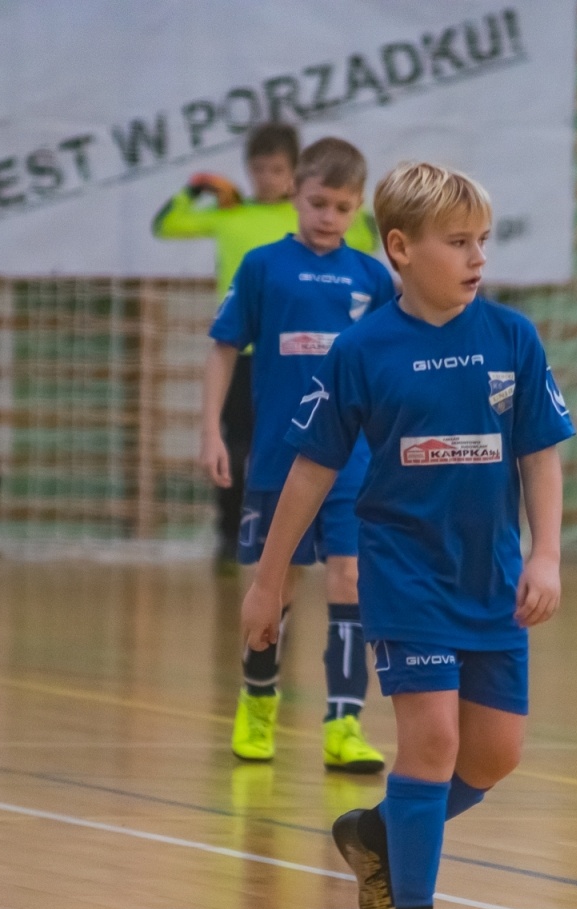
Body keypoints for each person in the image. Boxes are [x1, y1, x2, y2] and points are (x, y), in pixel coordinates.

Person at [240, 162, 574, 909]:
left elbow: (540, 455)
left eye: (482, 242)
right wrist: (268, 579)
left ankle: (378, 834)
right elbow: (311, 471)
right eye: (457, 242)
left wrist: (546, 554)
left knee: (494, 755)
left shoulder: (511, 338)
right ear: (400, 248)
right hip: (404, 576)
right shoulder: (362, 351)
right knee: (432, 742)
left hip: (490, 578)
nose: (477, 258)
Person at [204, 138, 396, 774]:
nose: (328, 218)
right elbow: (224, 347)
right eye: (318, 203)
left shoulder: (372, 277)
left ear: (358, 209)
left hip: (354, 464)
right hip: (280, 458)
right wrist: (211, 430)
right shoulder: (262, 267)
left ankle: (344, 723)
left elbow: (392, 366)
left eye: (343, 207)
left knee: (351, 581)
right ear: (295, 195)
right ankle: (258, 702)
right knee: (276, 583)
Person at [153, 122, 377, 573]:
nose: (266, 179)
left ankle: (319, 540)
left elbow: (369, 235)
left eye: (277, 169)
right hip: (251, 352)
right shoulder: (233, 215)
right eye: (258, 169)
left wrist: (349, 199)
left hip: (311, 357)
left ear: (294, 176)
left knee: (319, 448)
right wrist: (198, 187)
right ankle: (232, 530)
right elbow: (166, 224)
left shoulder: (323, 218)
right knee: (240, 447)